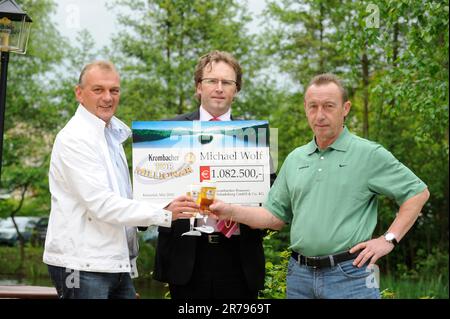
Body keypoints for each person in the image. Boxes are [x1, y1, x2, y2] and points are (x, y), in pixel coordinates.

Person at [210, 73, 430, 299]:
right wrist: (228, 210)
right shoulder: (296, 158)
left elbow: (417, 193)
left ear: (345, 108)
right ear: (305, 108)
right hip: (299, 277)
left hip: (350, 275)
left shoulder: (369, 154)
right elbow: (273, 217)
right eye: (313, 107)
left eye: (328, 106)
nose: (320, 115)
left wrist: (388, 240)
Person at [43, 61, 198, 299]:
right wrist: (164, 211)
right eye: (98, 90)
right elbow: (102, 204)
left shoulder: (112, 136)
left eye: (114, 90)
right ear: (79, 93)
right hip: (83, 265)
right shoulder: (75, 139)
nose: (108, 97)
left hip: (114, 263)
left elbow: (123, 198)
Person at [153, 50, 269, 299]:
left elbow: (271, 202)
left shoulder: (253, 138)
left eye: (227, 82)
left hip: (240, 258)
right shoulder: (166, 134)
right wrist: (166, 207)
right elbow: (148, 198)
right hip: (186, 259)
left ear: (236, 90)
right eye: (211, 81)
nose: (219, 88)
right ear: (198, 87)